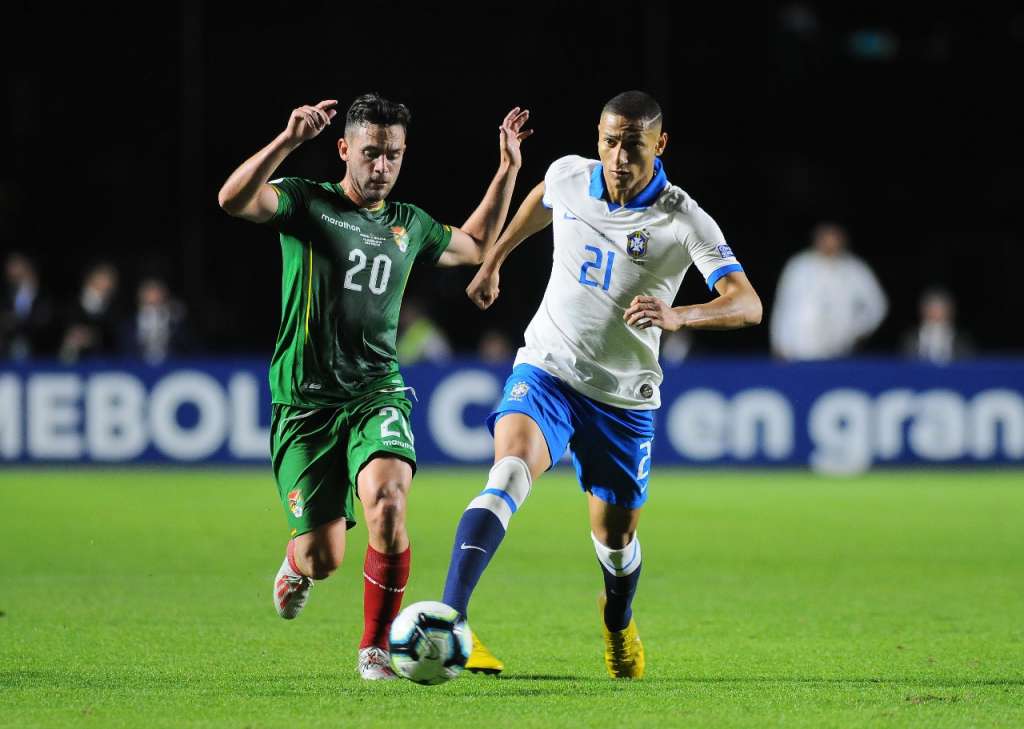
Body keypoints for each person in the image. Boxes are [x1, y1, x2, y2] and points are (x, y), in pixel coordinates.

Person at [440, 91, 762, 679]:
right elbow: (542, 197)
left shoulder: (681, 217)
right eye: (610, 142)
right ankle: (451, 619)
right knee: (509, 470)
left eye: (633, 146)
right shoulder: (570, 174)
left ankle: (618, 622)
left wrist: (680, 315)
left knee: (615, 545)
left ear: (659, 145)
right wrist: (496, 261)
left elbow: (748, 303)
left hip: (621, 400)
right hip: (548, 369)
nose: (618, 157)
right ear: (598, 138)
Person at [217, 94, 531, 679]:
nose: (381, 166)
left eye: (392, 155)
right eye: (370, 153)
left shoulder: (408, 224)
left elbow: (475, 243)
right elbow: (233, 199)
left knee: (389, 503)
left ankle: (376, 648)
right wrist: (287, 140)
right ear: (344, 149)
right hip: (304, 403)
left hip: (375, 392)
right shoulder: (307, 202)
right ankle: (296, 561)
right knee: (323, 557)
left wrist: (507, 170)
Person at [770, 222, 887, 360]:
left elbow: (877, 305)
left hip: (837, 349)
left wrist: (857, 331)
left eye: (833, 238)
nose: (829, 243)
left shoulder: (855, 269)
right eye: (824, 238)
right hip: (799, 347)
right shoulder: (798, 266)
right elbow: (783, 305)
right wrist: (778, 342)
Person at [59, 262, 121, 363]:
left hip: (102, 360)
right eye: (102, 279)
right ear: (90, 279)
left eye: (109, 280)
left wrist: (93, 337)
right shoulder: (72, 303)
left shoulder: (114, 308)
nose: (106, 284)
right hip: (72, 359)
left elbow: (114, 336)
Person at [1, 252, 56, 360]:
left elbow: (45, 322)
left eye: (15, 265)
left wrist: (16, 321)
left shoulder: (44, 296)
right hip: (8, 353)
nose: (10, 270)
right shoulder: (6, 296)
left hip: (39, 352)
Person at [903, 287, 972, 364]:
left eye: (940, 310)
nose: (935, 315)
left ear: (950, 312)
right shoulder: (910, 340)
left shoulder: (963, 342)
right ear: (922, 311)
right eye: (931, 309)